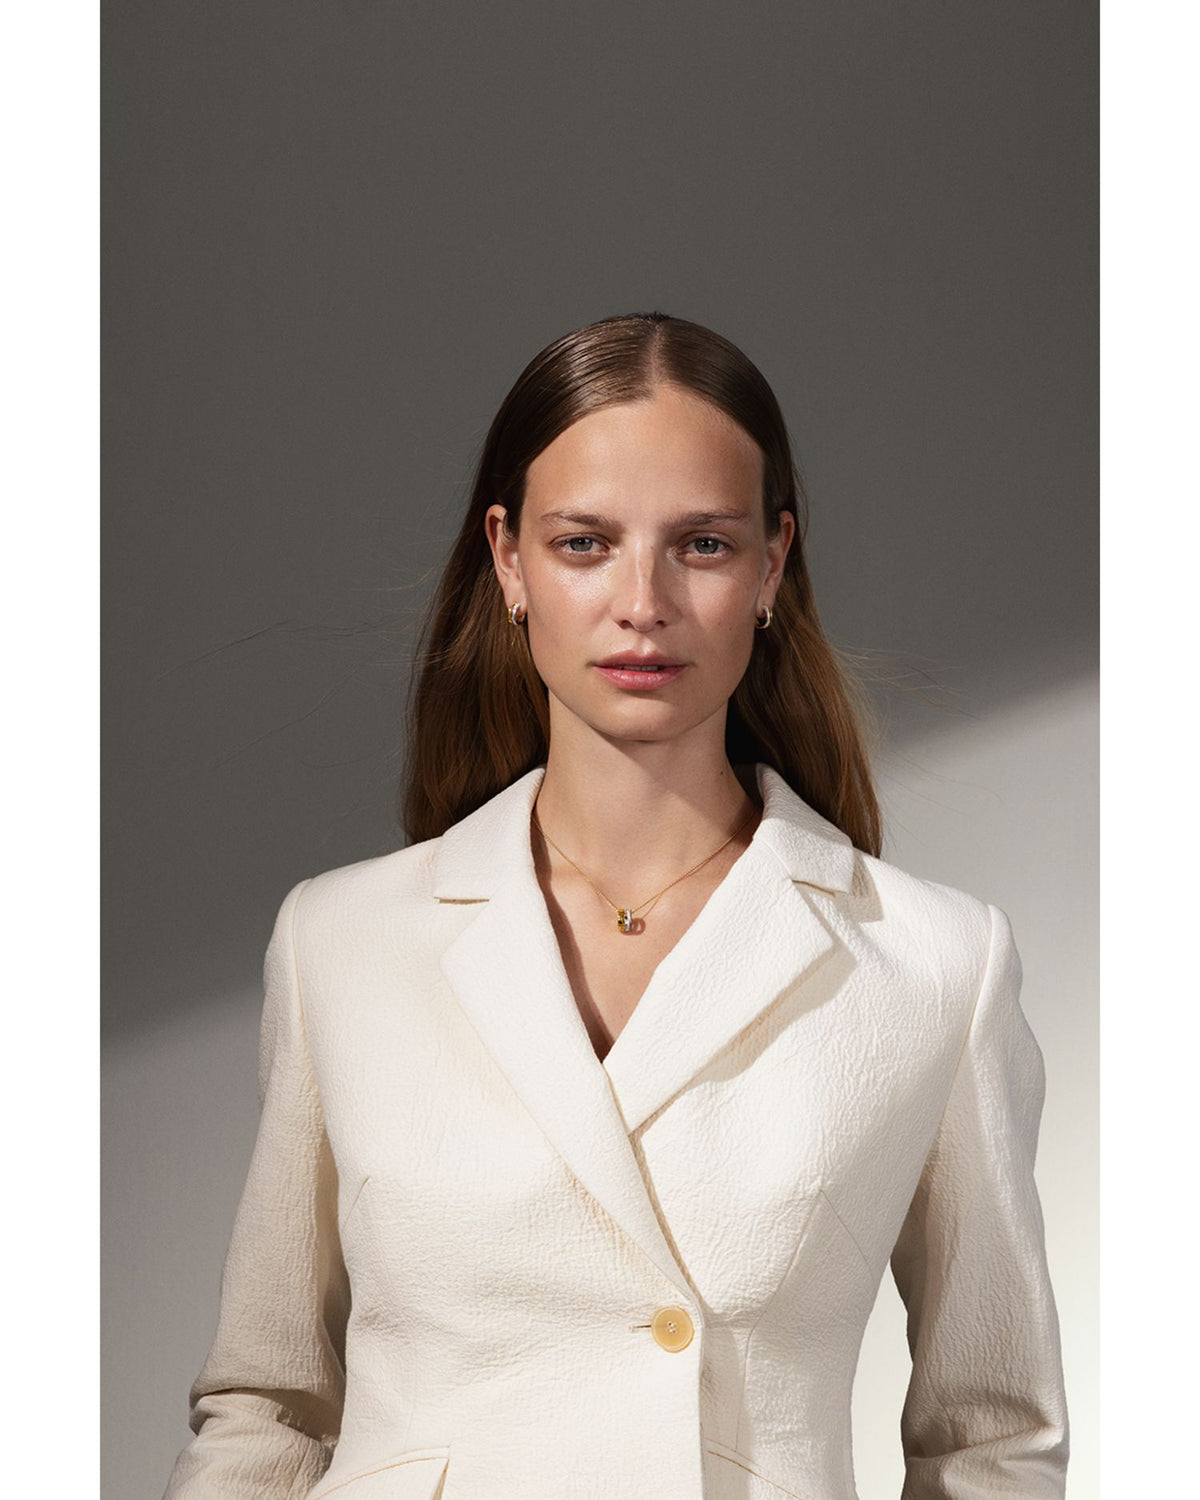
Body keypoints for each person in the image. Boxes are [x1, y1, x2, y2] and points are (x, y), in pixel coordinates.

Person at [163, 312, 1069, 1500]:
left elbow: (992, 1443)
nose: (643, 601)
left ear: (772, 565)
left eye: (702, 544)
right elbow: (264, 1408)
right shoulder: (342, 943)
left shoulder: (932, 965)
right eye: (585, 543)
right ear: (508, 560)